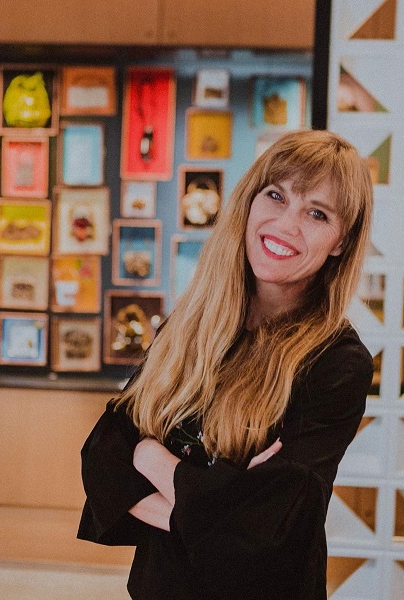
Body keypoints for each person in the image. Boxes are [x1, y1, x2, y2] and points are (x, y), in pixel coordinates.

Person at [78, 129, 374, 600]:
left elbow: (262, 530)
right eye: (276, 195)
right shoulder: (190, 327)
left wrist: (149, 455)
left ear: (341, 242)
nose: (287, 224)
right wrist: (211, 495)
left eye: (317, 213)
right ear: (250, 201)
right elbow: (103, 455)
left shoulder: (337, 364)